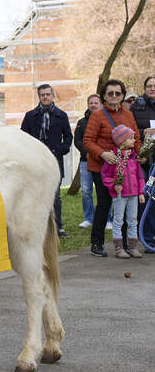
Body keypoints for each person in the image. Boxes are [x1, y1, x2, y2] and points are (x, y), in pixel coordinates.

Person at [84, 78, 141, 257]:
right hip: (102, 167)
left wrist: (140, 155)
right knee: (104, 204)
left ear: (123, 95)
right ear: (104, 96)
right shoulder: (97, 115)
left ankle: (124, 245)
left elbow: (136, 139)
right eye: (110, 93)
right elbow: (88, 141)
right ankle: (97, 243)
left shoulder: (128, 114)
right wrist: (102, 154)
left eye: (118, 93)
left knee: (124, 206)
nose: (114, 96)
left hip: (125, 168)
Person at [20, 84, 72, 237]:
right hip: (35, 162)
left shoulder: (61, 115)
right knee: (35, 196)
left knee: (55, 196)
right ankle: (37, 227)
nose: (45, 97)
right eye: (42, 95)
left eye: (48, 94)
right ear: (39, 96)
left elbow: (68, 136)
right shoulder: (30, 116)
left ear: (52, 95)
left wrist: (61, 149)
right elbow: (23, 137)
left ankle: (58, 227)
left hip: (54, 161)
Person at [100, 125, 146, 258]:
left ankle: (133, 247)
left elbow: (140, 176)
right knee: (118, 220)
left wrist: (141, 192)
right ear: (121, 141)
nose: (134, 140)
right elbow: (105, 176)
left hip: (134, 195)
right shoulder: (114, 158)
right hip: (119, 195)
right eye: (131, 138)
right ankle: (119, 248)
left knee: (133, 220)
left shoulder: (134, 157)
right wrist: (114, 185)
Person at [130, 75, 155, 250]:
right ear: (145, 88)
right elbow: (129, 131)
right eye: (149, 86)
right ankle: (148, 237)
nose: (153, 89)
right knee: (147, 199)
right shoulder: (136, 107)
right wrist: (142, 131)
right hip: (145, 161)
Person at [73, 94, 102, 229]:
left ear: (101, 104)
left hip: (103, 161)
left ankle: (107, 219)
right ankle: (89, 218)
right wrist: (88, 153)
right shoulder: (82, 122)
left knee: (104, 191)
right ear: (88, 105)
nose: (93, 105)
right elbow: (77, 141)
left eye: (96, 103)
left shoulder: (106, 120)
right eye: (91, 103)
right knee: (86, 191)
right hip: (86, 161)